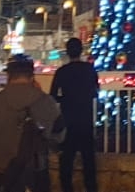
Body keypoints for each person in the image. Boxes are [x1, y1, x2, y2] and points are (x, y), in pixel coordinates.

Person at [0, 56, 62, 192]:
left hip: (1, 178)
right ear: (32, 76)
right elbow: (59, 136)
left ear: (8, 76)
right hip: (35, 177)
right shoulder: (47, 102)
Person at [49, 39, 99, 192]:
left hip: (68, 119)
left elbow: (53, 94)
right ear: (81, 51)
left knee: (67, 159)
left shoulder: (62, 72)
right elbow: (95, 91)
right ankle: (91, 188)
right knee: (88, 159)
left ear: (67, 51)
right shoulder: (89, 70)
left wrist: (65, 99)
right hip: (85, 118)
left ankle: (67, 188)